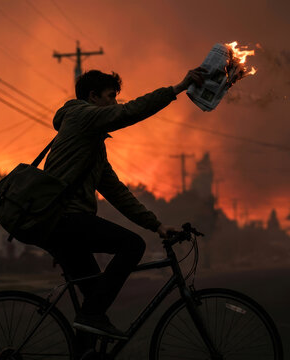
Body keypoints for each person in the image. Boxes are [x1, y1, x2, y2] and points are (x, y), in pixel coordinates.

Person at [32, 67, 205, 351]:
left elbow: (116, 192)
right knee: (132, 246)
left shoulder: (91, 145)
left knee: (93, 307)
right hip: (65, 219)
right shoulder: (79, 116)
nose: (115, 103)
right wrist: (178, 88)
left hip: (63, 223)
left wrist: (157, 225)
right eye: (111, 97)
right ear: (92, 97)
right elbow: (127, 114)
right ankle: (90, 317)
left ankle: (86, 342)